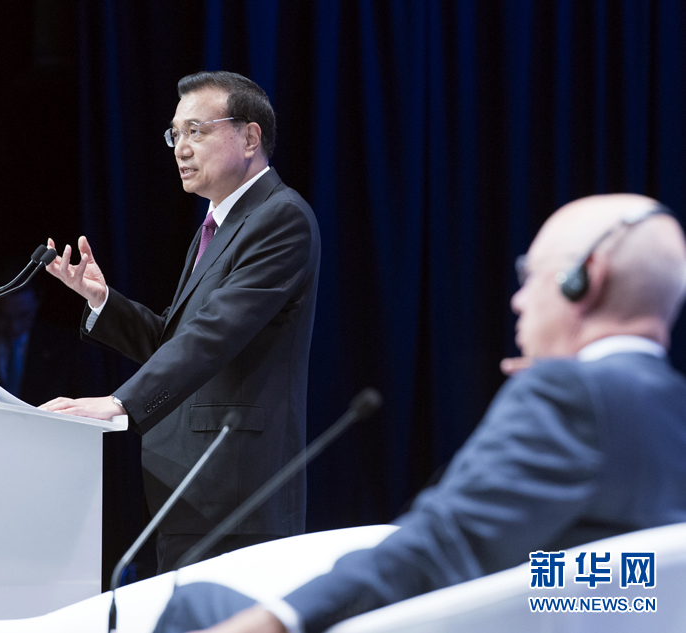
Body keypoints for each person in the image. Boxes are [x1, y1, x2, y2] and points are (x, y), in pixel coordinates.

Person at [152, 193, 686, 633]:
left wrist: (279, 620)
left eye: (532, 275)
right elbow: (602, 572)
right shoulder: (663, 404)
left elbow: (444, 540)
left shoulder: (567, 394)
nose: (519, 300)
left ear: (585, 279)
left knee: (196, 603)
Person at [39, 71, 321, 572]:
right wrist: (104, 302)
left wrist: (119, 403)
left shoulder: (281, 219)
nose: (181, 148)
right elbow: (177, 337)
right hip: (190, 487)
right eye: (175, 134)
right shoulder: (217, 226)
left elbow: (213, 337)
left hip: (237, 492)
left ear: (249, 137)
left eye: (196, 130)